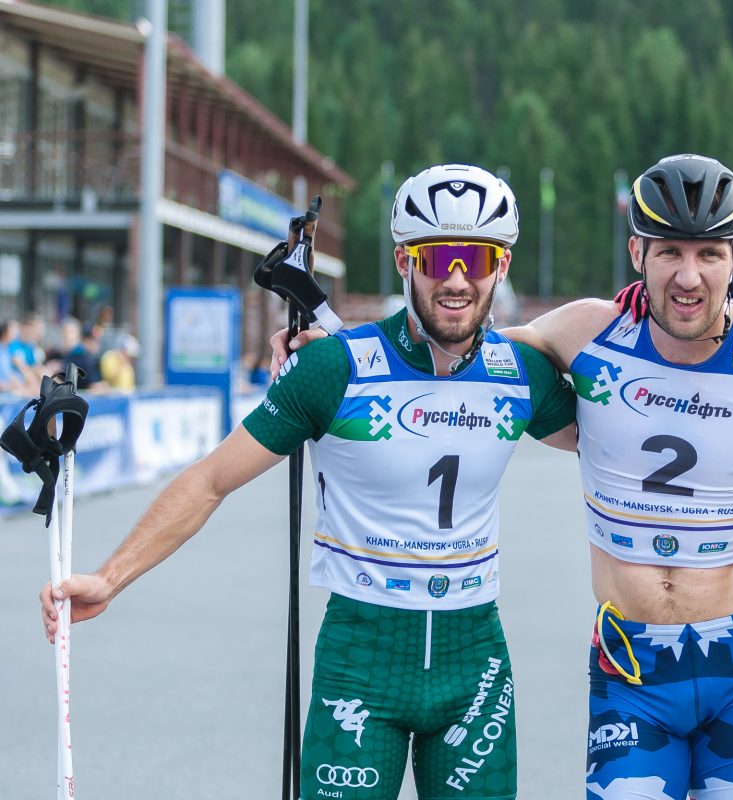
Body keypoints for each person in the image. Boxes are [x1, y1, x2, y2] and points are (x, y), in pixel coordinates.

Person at [41, 164, 578, 800]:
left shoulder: (521, 371)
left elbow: (622, 436)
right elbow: (211, 480)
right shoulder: (333, 367)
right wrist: (110, 577)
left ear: (502, 265)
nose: (457, 279)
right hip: (362, 661)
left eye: (477, 258)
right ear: (405, 261)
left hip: (475, 664)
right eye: (437, 258)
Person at [506, 154, 733, 799]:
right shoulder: (586, 331)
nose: (689, 276)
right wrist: (329, 351)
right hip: (630, 662)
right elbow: (465, 357)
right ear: (637, 253)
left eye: (709, 254)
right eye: (668, 253)